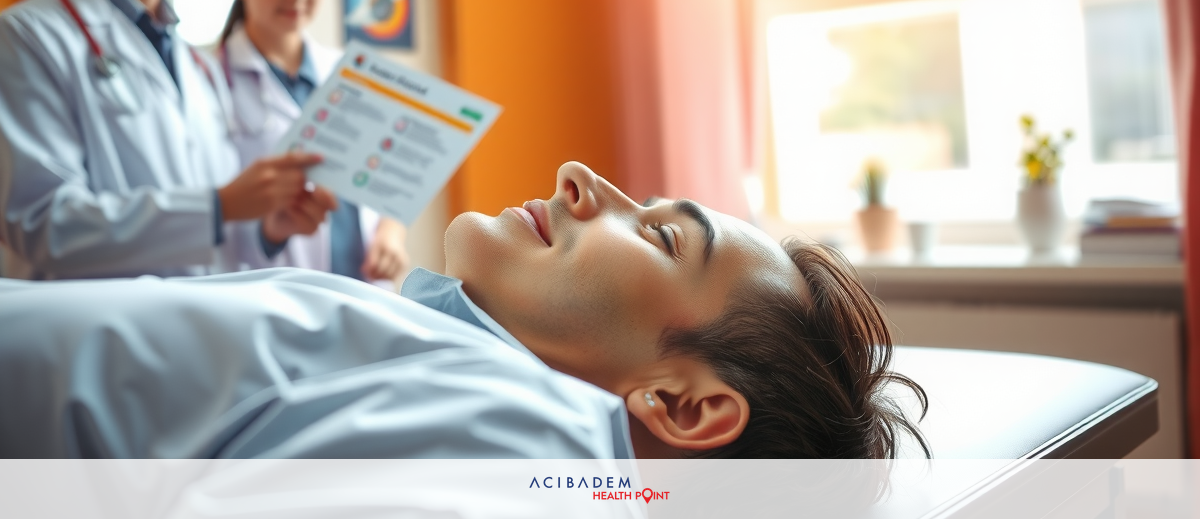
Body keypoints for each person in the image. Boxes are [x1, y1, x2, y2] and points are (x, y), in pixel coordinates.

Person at [0, 162, 928, 459]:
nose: (581, 178)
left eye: (659, 237)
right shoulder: (434, 364)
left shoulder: (528, 439)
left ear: (682, 404)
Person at [0, 0, 336, 280]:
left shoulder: (195, 61)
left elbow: (216, 226)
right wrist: (218, 207)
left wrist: (269, 229)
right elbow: (41, 225)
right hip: (97, 336)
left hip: (200, 329)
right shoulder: (27, 38)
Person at [218, 0, 408, 283]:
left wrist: (391, 233)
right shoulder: (211, 80)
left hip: (366, 283)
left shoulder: (351, 72)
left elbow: (389, 176)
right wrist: (270, 230)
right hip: (276, 286)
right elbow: (217, 212)